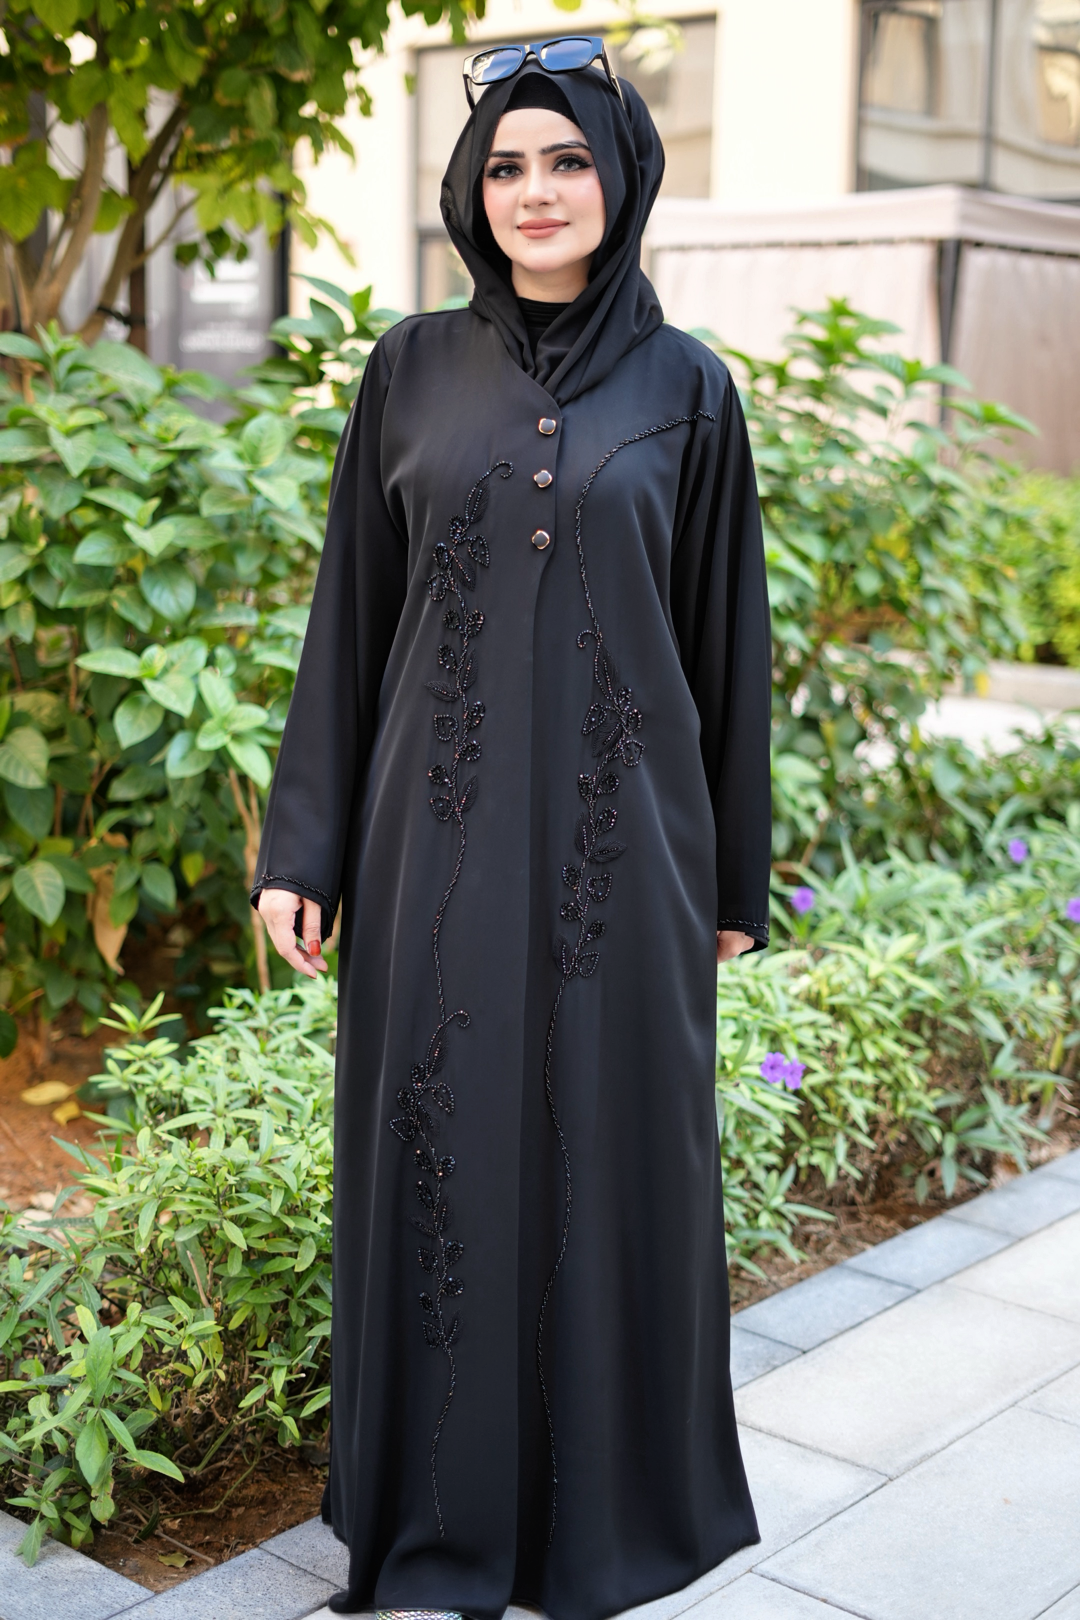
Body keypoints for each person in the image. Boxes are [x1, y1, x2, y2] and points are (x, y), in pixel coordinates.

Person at [253, 39, 771, 1620]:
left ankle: (609, 1527)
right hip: (437, 845)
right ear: (473, 193)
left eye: (565, 161)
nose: (535, 192)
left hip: (632, 861)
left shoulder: (690, 390)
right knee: (440, 1154)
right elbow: (354, 615)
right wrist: (305, 847)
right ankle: (439, 1526)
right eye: (504, 166)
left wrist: (732, 882)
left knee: (618, 1165)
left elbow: (724, 643)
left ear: (621, 180)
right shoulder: (409, 367)